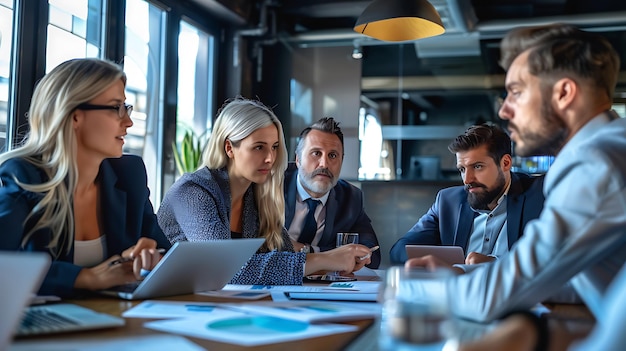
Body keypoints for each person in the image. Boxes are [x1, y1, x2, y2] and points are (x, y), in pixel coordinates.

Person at [405, 23, 626, 323]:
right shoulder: (613, 148)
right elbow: (574, 280)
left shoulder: (594, 163)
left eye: (516, 92)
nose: (504, 111)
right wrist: (461, 273)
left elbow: (491, 298)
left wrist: (413, 291)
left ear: (563, 93)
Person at [0, 58, 170, 298]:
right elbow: (5, 265)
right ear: (74, 116)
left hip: (114, 322)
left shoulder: (129, 173)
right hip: (45, 329)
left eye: (126, 107)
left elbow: (164, 253)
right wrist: (87, 278)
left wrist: (149, 257)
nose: (128, 121)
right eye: (116, 107)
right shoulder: (23, 174)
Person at [157, 97, 372, 285]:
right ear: (229, 148)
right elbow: (226, 268)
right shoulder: (192, 192)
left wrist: (339, 259)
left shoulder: (256, 196)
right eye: (259, 147)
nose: (270, 158)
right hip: (161, 311)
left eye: (275, 147)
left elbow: (285, 255)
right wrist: (325, 259)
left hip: (215, 305)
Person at [389, 124, 544, 265]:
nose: (467, 179)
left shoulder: (538, 196)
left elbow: (553, 260)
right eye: (462, 169)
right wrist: (431, 262)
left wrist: (497, 264)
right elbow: (399, 250)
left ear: (505, 163)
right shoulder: (448, 202)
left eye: (477, 166)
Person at [284, 117, 381, 269]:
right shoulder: (272, 186)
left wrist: (309, 251)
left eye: (333, 155)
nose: (324, 164)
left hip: (321, 289)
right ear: (298, 160)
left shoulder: (351, 197)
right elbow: (263, 246)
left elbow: (373, 255)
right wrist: (335, 256)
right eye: (316, 153)